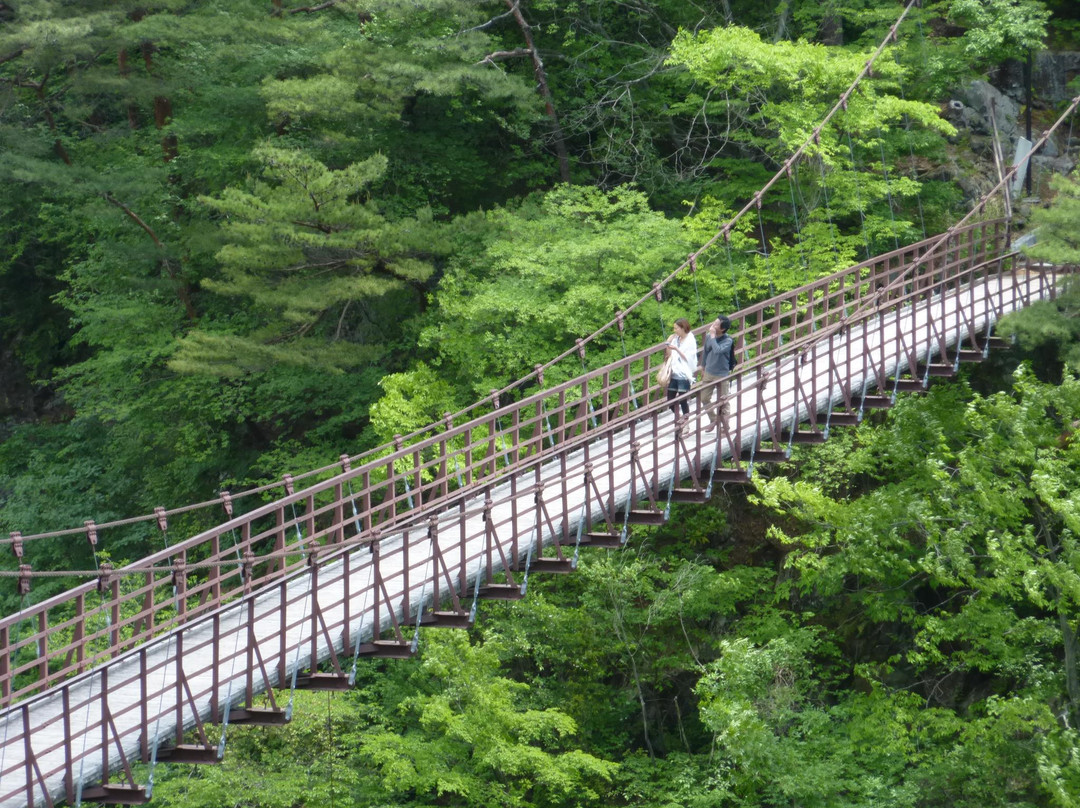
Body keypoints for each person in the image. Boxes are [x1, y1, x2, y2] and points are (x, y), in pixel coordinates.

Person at [697, 315, 736, 431]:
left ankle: (725, 425)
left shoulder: (728, 340)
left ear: (722, 329)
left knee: (723, 400)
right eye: (714, 322)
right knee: (704, 397)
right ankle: (714, 419)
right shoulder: (709, 337)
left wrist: (713, 337)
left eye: (716, 324)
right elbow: (706, 351)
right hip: (709, 371)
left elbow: (718, 350)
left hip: (721, 373)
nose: (713, 325)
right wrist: (703, 367)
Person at [665, 318, 697, 429]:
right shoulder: (676, 339)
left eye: (676, 328)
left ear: (682, 328)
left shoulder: (690, 339)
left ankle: (686, 422)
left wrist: (677, 349)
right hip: (675, 372)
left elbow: (689, 358)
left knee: (683, 399)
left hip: (684, 373)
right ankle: (680, 417)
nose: (674, 330)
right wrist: (669, 344)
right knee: (670, 399)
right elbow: (669, 355)